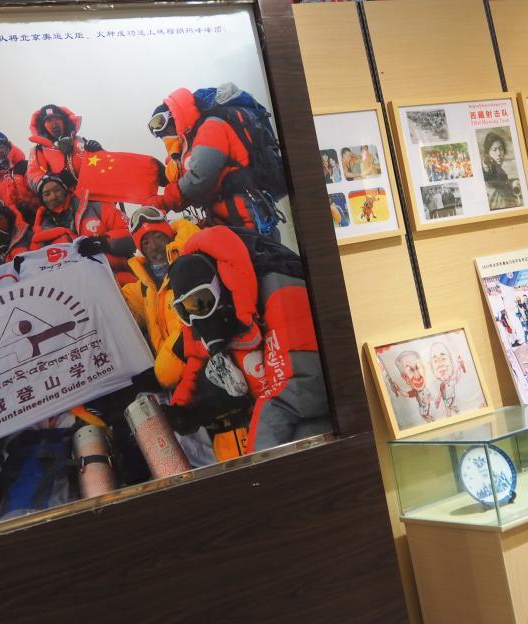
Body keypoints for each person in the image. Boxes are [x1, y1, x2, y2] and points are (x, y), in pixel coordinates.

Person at [164, 226, 330, 456]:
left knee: (304, 435)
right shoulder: (210, 319)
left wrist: (258, 462)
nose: (197, 314)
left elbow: (301, 388)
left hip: (319, 417)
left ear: (221, 285)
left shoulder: (280, 292)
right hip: (269, 420)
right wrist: (182, 407)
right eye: (185, 310)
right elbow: (196, 359)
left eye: (202, 301)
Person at [146, 86, 285, 234]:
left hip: (244, 217)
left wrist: (163, 202)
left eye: (165, 129)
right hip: (230, 217)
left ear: (174, 116)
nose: (165, 137)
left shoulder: (211, 127)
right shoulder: (195, 141)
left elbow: (200, 177)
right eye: (161, 136)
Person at [120, 206, 200, 389]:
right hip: (176, 379)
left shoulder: (192, 262)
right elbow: (114, 309)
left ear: (169, 236)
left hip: (199, 367)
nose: (153, 247)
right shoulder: (145, 286)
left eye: (158, 237)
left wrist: (162, 372)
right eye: (146, 243)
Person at [29, 175, 135, 286]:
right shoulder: (41, 234)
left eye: (57, 190)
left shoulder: (96, 207)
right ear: (42, 200)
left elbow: (133, 234)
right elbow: (38, 270)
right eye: (47, 194)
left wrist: (103, 242)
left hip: (120, 279)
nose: (53, 196)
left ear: (65, 189)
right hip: (77, 289)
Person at [25, 104, 104, 191]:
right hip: (62, 197)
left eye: (57, 118)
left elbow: (103, 167)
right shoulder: (39, 150)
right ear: (42, 126)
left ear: (64, 121)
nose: (54, 124)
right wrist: (54, 181)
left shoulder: (80, 140)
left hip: (92, 192)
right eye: (49, 120)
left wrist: (100, 151)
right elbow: (33, 175)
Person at [0, 131, 41, 224]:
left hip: (39, 217)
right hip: (15, 225)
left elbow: (41, 187)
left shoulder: (26, 166)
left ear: (8, 147)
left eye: (1, 146)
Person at [481, 131, 520, 209]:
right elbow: (487, 170)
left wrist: (512, 185)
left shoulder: (501, 171)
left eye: (500, 149)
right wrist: (486, 164)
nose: (499, 153)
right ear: (488, 153)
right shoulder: (489, 167)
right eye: (494, 150)